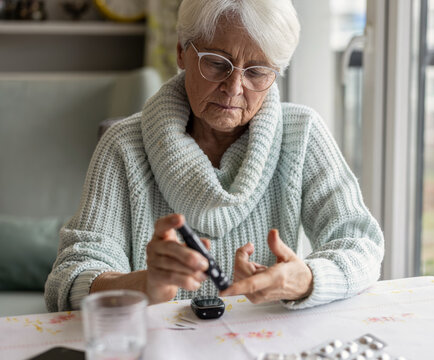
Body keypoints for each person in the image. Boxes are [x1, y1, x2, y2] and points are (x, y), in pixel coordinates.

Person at [45, 0, 384, 312]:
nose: (234, 88)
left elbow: (361, 242)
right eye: (217, 63)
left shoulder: (302, 133)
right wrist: (145, 285)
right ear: (181, 52)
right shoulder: (124, 146)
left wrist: (305, 279)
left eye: (256, 72)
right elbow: (68, 278)